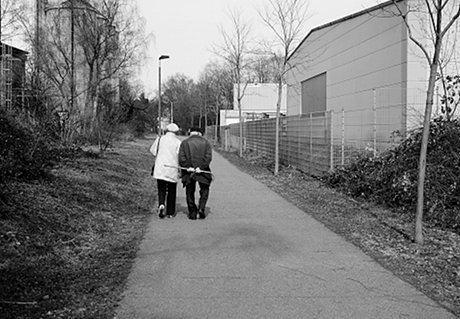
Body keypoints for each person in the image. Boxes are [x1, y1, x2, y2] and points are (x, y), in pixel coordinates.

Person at [178, 127, 213, 220]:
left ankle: (192, 212)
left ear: (190, 132)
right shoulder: (206, 142)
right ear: (199, 133)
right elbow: (208, 157)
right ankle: (201, 208)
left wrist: (188, 166)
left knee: (190, 191)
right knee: (204, 189)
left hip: (189, 171)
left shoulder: (185, 143)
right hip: (203, 171)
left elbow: (181, 158)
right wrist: (200, 167)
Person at [150, 123, 181, 219]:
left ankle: (161, 204)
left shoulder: (160, 139)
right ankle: (170, 212)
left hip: (160, 167)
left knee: (161, 188)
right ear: (176, 131)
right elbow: (180, 155)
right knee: (172, 190)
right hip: (172, 167)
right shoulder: (177, 142)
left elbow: (153, 151)